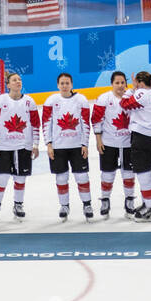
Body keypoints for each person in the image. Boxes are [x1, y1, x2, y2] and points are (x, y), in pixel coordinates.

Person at [0, 72, 39, 222]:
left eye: (20, 80)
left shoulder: (29, 102)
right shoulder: (0, 101)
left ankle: (18, 205)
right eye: (14, 80)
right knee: (1, 178)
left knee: (20, 178)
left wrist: (35, 145)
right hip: (4, 147)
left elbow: (35, 125)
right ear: (8, 85)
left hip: (23, 146)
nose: (18, 82)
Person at [41, 72, 93, 223]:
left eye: (67, 83)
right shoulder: (51, 101)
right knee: (61, 177)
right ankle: (64, 206)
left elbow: (85, 123)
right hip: (58, 147)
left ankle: (87, 205)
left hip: (77, 146)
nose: (64, 86)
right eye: (62, 83)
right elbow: (46, 124)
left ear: (72, 84)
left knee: (82, 176)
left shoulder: (81, 100)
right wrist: (49, 144)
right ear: (58, 85)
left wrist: (85, 144)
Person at [121, 70, 151, 222]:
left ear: (140, 83)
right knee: (147, 173)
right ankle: (149, 203)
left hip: (141, 137)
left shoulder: (142, 94)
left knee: (143, 174)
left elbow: (124, 104)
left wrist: (132, 89)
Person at [91, 71, 135, 219]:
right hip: (108, 143)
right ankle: (105, 200)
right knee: (107, 174)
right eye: (117, 82)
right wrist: (98, 140)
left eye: (123, 82)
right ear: (112, 84)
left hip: (128, 144)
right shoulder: (104, 98)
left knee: (128, 173)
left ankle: (129, 201)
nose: (120, 85)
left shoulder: (132, 97)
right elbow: (96, 120)